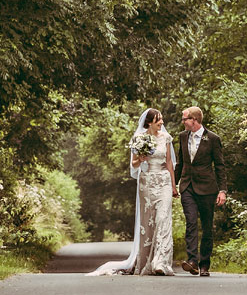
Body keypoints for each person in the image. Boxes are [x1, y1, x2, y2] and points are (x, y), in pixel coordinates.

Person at [86, 108, 178, 276]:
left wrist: (173, 185)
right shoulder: (139, 139)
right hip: (147, 182)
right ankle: (148, 261)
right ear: (149, 122)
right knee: (149, 222)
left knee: (163, 219)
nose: (162, 123)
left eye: (162, 119)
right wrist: (141, 159)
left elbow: (170, 163)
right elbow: (134, 165)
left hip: (163, 181)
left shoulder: (166, 138)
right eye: (159, 120)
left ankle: (161, 262)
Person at [176, 106, 226, 277]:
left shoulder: (212, 139)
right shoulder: (182, 137)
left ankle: (204, 265)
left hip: (207, 188)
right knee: (190, 223)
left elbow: (220, 166)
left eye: (185, 119)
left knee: (206, 226)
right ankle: (192, 261)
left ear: (194, 120)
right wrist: (173, 186)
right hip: (187, 186)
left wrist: (222, 190)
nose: (182, 122)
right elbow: (180, 163)